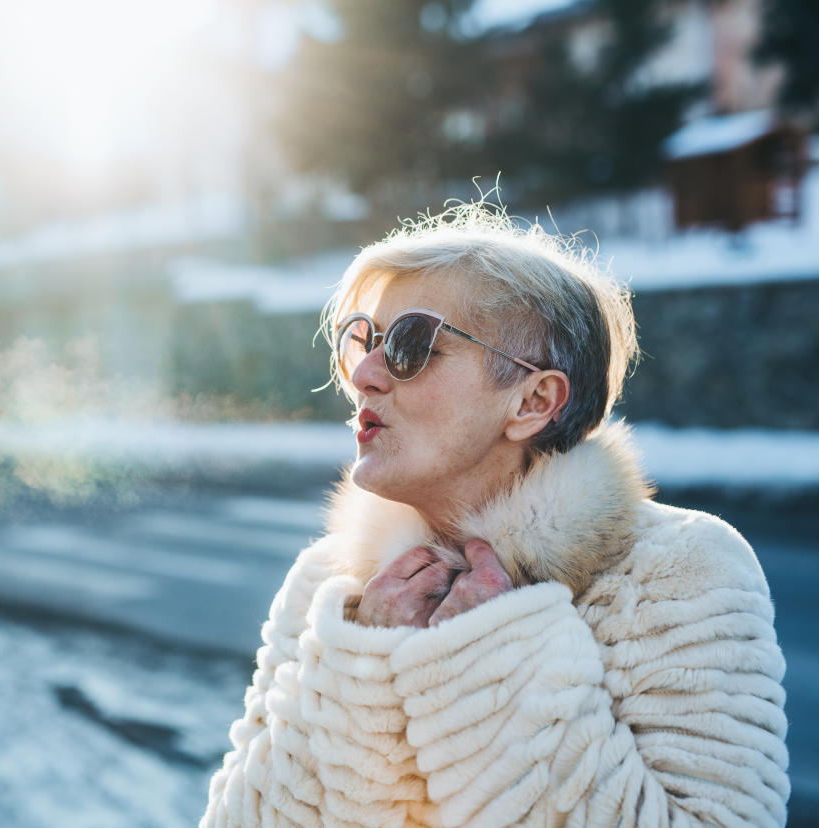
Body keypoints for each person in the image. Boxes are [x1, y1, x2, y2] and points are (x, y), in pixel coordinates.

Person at [201, 205, 789, 827]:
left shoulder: (683, 567)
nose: (366, 377)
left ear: (534, 401)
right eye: (362, 341)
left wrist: (493, 653)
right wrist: (362, 665)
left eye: (411, 345)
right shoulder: (331, 584)